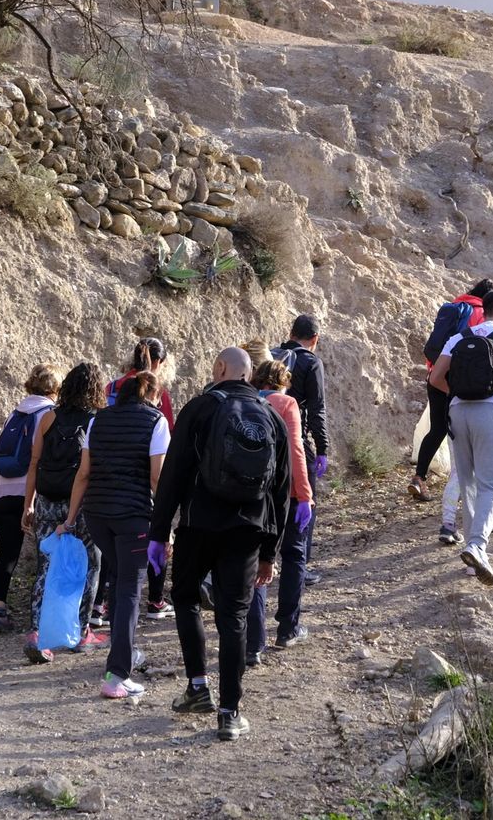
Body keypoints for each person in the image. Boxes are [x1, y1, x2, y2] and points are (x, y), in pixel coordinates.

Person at [153, 347, 291, 741]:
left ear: (219, 369)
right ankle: (230, 713)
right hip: (248, 530)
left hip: (198, 525)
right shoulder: (271, 417)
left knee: (185, 599)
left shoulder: (199, 409)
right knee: (233, 616)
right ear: (249, 376)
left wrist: (159, 532)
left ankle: (198, 687)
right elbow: (282, 491)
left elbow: (173, 475)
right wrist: (270, 552)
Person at [63, 371, 169, 699]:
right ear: (151, 393)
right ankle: (117, 674)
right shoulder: (157, 421)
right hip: (133, 517)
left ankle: (124, 652)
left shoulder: (99, 420)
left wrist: (69, 519)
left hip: (97, 515)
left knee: (118, 582)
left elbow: (83, 474)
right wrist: (167, 527)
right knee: (128, 590)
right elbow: (157, 479)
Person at [426, 290, 493, 587]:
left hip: (457, 413)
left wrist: (461, 393)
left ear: (483, 311)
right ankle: (477, 546)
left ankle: (473, 562)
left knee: (468, 482)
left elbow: (435, 379)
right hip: (490, 413)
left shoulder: (459, 338)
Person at [20, 363, 107, 664]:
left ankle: (35, 633)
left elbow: (33, 463)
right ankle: (80, 633)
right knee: (90, 564)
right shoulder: (97, 420)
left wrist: (28, 503)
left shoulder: (47, 418)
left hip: (46, 500)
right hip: (81, 502)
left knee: (47, 564)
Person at [245, 357, 315, 666]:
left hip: (252, 495)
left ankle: (254, 645)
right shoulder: (286, 404)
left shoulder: (245, 402)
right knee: (294, 554)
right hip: (284, 494)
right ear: (282, 381)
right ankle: (287, 627)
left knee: (257, 562)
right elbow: (296, 451)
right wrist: (305, 494)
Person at [104, 338, 176, 620]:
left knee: (113, 546)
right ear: (158, 363)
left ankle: (103, 605)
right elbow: (168, 434)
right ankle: (155, 600)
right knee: (157, 535)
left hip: (110, 478)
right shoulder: (158, 392)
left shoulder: (111, 386)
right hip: (145, 479)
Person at [0, 365, 59, 634]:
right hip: (31, 493)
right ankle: (43, 614)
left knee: (6, 554)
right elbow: (41, 459)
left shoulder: (14, 413)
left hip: (2, 491)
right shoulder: (48, 415)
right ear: (55, 389)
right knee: (47, 553)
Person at [412, 278, 493, 505]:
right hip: (462, 382)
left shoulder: (454, 307)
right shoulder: (481, 313)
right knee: (464, 432)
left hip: (435, 377)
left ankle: (420, 477)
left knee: (437, 429)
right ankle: (463, 485)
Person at [274, 315, 329, 586]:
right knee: (305, 501)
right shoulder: (311, 362)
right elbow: (317, 409)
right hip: (296, 439)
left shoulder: (272, 355)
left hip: (265, 439)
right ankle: (299, 565)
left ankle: (264, 561)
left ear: (291, 332)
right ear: (314, 340)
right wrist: (322, 449)